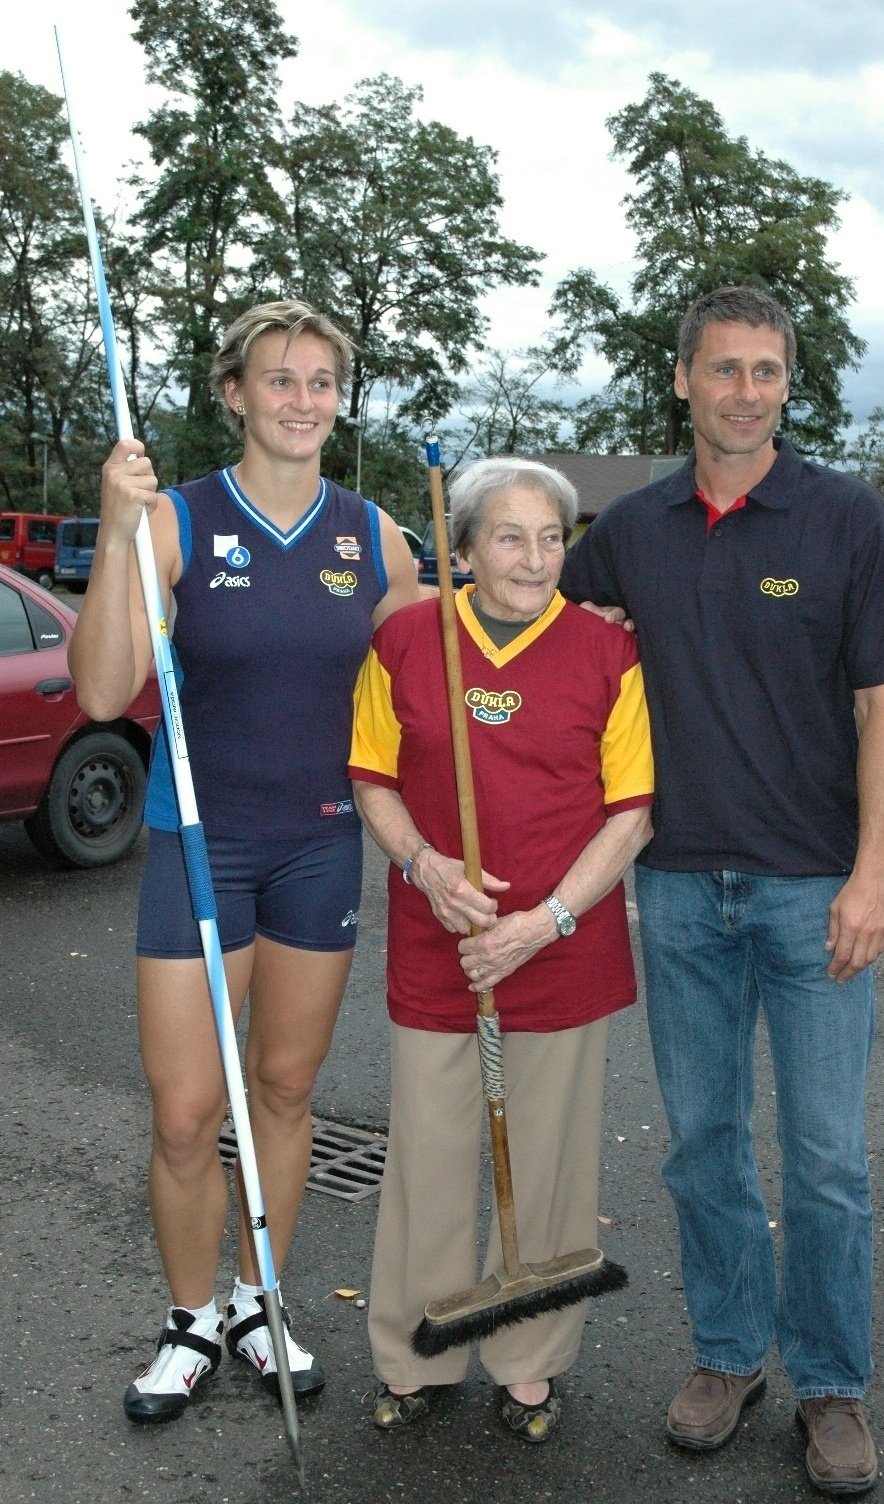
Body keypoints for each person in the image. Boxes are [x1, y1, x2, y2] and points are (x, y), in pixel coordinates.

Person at [560, 285, 884, 1495]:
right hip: (675, 889)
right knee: (703, 1143)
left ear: (786, 381)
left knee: (826, 1155)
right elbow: (530, 619)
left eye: (765, 371)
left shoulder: (842, 520)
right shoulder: (632, 529)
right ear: (682, 379)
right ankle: (728, 1355)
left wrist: (873, 875)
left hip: (812, 886)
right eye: (723, 369)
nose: (744, 391)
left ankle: (830, 1384)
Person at [68, 299, 419, 1424]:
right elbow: (98, 686)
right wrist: (117, 529)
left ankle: (263, 1300)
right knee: (183, 1110)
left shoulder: (375, 537)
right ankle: (190, 1319)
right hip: (199, 843)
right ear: (235, 393)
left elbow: (432, 689)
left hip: (319, 845)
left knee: (283, 1086)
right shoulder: (173, 519)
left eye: (321, 380)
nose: (302, 400)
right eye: (279, 379)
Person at [348, 457, 654, 1443]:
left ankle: (529, 1357)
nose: (533, 557)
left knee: (553, 1163)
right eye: (510, 536)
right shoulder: (403, 640)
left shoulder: (607, 654)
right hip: (444, 949)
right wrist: (426, 865)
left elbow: (631, 813)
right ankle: (415, 1350)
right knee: (430, 1157)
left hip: (562, 949)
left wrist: (544, 920)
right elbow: (373, 780)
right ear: (466, 545)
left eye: (552, 537)